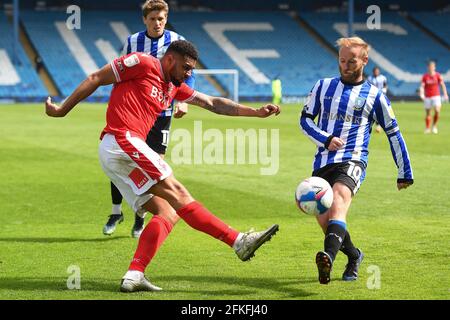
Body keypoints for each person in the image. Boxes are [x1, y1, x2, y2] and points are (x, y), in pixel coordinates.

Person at [45, 40, 281, 292]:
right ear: (170, 60)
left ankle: (134, 274)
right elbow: (95, 77)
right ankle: (238, 241)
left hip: (118, 152)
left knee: (168, 212)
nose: (189, 74)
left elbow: (212, 103)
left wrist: (255, 112)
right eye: (186, 68)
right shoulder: (142, 63)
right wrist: (61, 111)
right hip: (122, 139)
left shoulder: (172, 87)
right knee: (179, 193)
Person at [299, 37, 413, 285]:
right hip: (323, 162)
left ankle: (326, 257)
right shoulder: (322, 87)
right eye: (342, 60)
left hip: (353, 160)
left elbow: (394, 133)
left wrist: (405, 172)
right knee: (325, 220)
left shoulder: (375, 96)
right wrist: (325, 138)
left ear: (364, 60)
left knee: (339, 199)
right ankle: (354, 255)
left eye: (351, 61)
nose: (346, 66)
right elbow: (305, 120)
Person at [104, 0, 194, 238]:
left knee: (153, 167)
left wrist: (183, 101)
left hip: (161, 114)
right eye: (153, 19)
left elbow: (188, 76)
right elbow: (120, 72)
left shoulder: (177, 40)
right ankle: (115, 212)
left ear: (166, 18)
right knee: (124, 161)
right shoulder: (133, 42)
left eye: (161, 18)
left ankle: (139, 218)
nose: (157, 23)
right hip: (134, 114)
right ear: (145, 19)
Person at [419, 60, 448, 134]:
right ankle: (428, 128)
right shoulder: (425, 76)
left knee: (437, 111)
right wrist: (421, 93)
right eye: (430, 66)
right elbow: (422, 86)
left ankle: (434, 126)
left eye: (432, 66)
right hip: (428, 97)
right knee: (428, 113)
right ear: (428, 67)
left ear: (434, 67)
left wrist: (445, 94)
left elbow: (442, 85)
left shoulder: (437, 75)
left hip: (436, 96)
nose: (431, 68)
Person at [367, 66, 387, 133]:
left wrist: (384, 90)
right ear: (373, 72)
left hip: (380, 96)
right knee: (372, 111)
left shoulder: (383, 78)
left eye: (377, 71)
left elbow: (385, 85)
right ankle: (375, 125)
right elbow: (368, 86)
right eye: (375, 71)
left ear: (379, 71)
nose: (376, 72)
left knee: (380, 110)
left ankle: (379, 125)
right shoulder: (370, 78)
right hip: (372, 97)